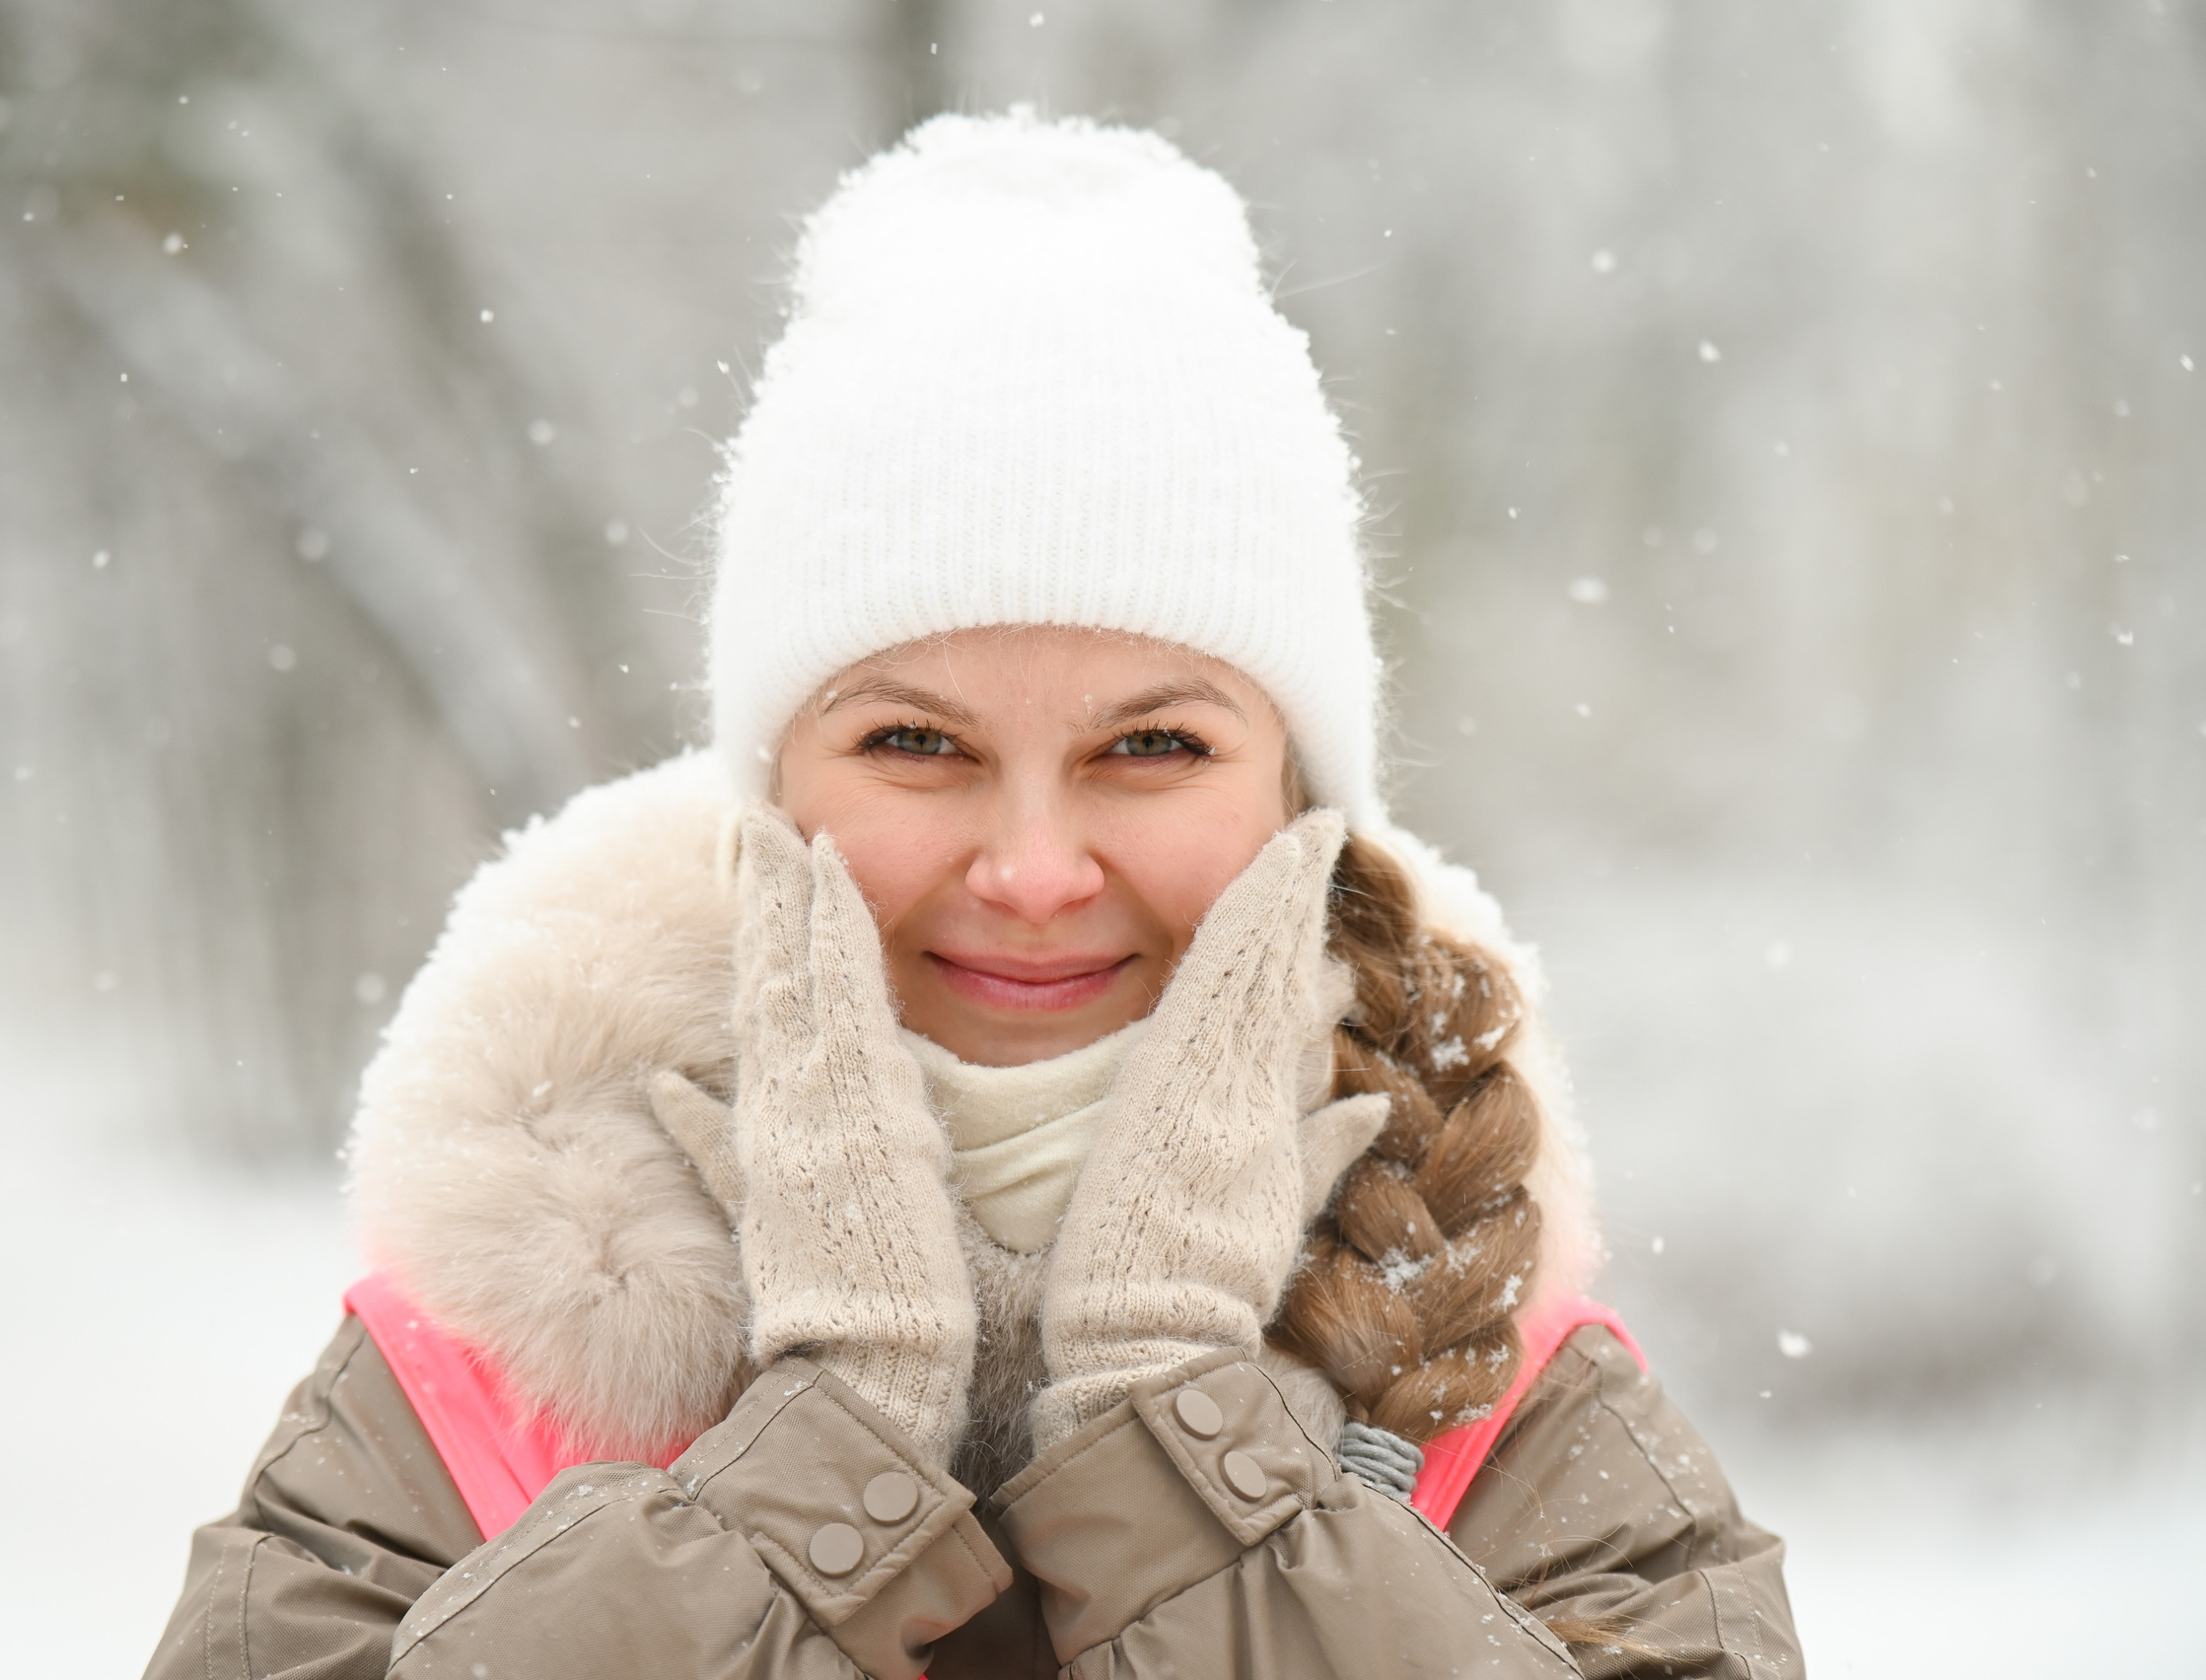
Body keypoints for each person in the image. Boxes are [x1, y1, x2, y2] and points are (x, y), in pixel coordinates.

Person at [144, 111, 1799, 1679]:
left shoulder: (1508, 1411)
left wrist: (1186, 1469)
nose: (1028, 870)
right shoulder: (470, 1384)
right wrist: (814, 1467)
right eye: (916, 743)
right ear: (773, 789)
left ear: (1298, 800)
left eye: (1150, 744)